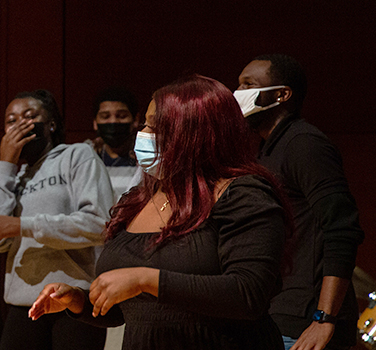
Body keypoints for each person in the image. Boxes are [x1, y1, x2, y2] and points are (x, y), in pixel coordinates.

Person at [28, 75, 292, 350]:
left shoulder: (243, 194)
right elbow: (135, 310)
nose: (143, 134)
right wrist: (79, 300)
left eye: (154, 127)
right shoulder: (139, 199)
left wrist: (145, 279)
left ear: (193, 132)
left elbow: (248, 294)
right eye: (145, 125)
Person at [235, 54, 365, 350]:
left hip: (306, 321)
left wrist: (324, 318)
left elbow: (342, 229)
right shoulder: (268, 148)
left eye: (248, 84)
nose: (237, 93)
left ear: (281, 94)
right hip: (277, 315)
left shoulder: (304, 143)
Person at [0, 89, 114, 350]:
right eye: (11, 120)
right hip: (22, 304)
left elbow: (99, 224)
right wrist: (5, 165)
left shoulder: (77, 156)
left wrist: (23, 226)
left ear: (50, 123)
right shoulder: (13, 177)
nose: (19, 125)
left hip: (73, 299)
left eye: (29, 116)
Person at [84, 87, 144, 202]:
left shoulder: (144, 159)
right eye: (105, 117)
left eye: (121, 116)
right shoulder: (86, 159)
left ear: (135, 119)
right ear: (95, 122)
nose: (113, 122)